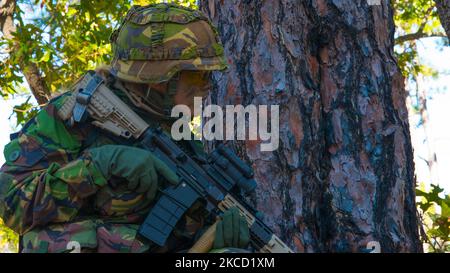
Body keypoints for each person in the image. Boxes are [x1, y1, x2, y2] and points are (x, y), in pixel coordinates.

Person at [0, 3, 250, 253]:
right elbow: (11, 204)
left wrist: (215, 241)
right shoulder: (75, 116)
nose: (207, 86)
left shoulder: (179, 138)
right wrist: (100, 165)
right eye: (197, 75)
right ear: (160, 79)